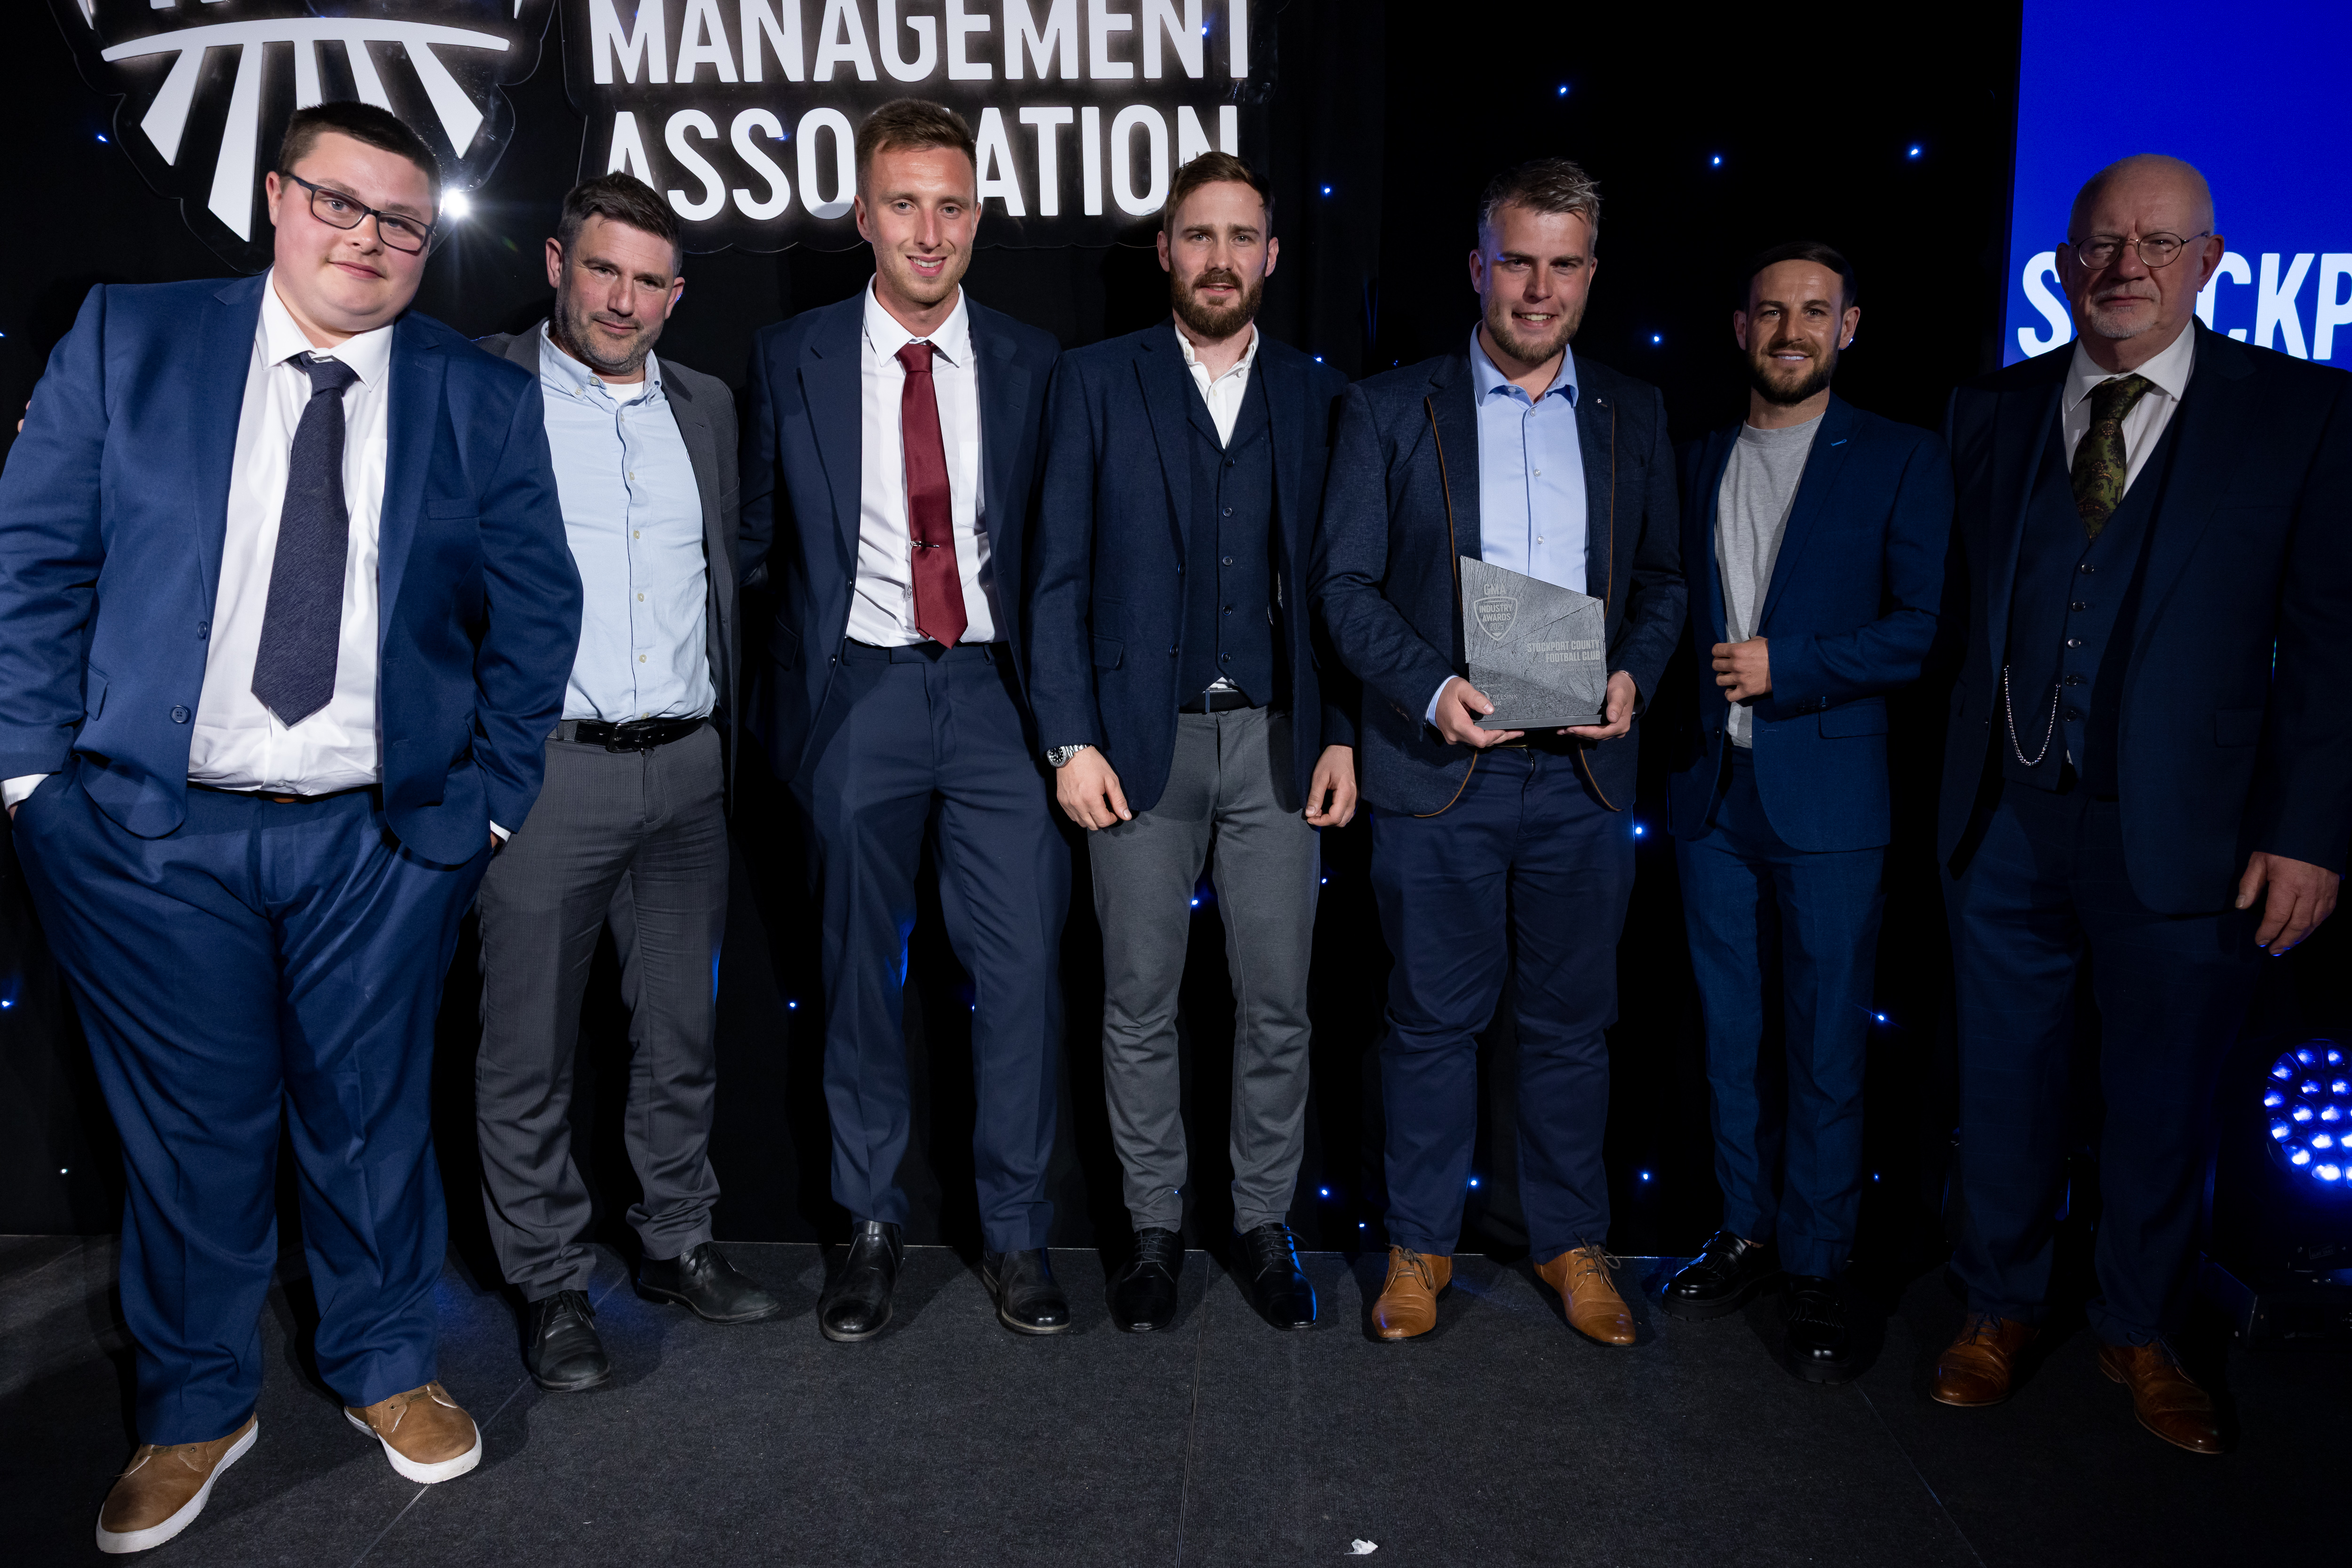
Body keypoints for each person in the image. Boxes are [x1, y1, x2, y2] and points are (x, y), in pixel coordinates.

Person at [0, 103, 580, 1552]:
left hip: (381, 840)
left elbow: (536, 611)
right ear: (276, 197)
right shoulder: (131, 337)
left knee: (370, 1115)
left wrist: (489, 806)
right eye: (340, 202)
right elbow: (34, 558)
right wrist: (31, 782)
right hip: (149, 833)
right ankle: (196, 1403)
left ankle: (385, 1361)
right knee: (191, 1135)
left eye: (403, 221)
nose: (369, 239)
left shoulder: (480, 395)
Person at [1932, 154, 2350, 1452]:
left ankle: (2139, 1326)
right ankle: (1999, 1305)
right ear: (2063, 264)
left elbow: (2332, 644)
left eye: (2158, 243)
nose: (2127, 266)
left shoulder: (2301, 413)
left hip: (2194, 831)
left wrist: (2307, 830)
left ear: (2210, 262)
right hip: (2005, 815)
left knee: (2164, 1094)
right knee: (2004, 1081)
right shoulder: (1990, 407)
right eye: (2102, 244)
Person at [1315, 159, 1684, 1344]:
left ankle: (1571, 1241)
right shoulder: (1388, 408)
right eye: (1517, 261)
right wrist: (1431, 687)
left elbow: (1666, 583)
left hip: (1581, 775)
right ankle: (1418, 1244)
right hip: (1441, 771)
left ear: (1590, 275)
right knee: (1430, 1024)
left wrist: (1632, 674)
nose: (1538, 288)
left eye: (1562, 265)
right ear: (1478, 267)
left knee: (1572, 1027)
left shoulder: (1633, 410)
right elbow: (1344, 586)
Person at [739, 101, 1068, 1339]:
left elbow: (1060, 558)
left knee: (1021, 974)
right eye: (904, 204)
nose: (929, 232)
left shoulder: (1036, 360)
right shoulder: (793, 356)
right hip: (856, 694)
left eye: (951, 205)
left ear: (976, 216)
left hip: (996, 698)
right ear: (863, 216)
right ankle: (869, 1222)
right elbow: (754, 546)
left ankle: (1017, 1229)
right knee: (854, 980)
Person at [1029, 152, 1356, 1334]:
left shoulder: (1320, 394)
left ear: (1270, 255)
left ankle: (1263, 1223)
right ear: (1166, 250)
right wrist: (1068, 739)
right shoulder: (1093, 379)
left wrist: (1341, 734)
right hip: (1134, 744)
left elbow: (1340, 585)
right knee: (1137, 1000)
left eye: (1241, 237)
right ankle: (1153, 1230)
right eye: (1198, 235)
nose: (1220, 258)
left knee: (1277, 1002)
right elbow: (1053, 578)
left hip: (1277, 741)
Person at [470, 172, 778, 1394]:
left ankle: (675, 1241)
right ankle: (550, 1280)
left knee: (681, 1033)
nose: (622, 299)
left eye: (649, 280)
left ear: (676, 295)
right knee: (528, 1048)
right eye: (603, 269)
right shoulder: (477, 386)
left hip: (690, 768)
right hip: (548, 771)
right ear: (558, 264)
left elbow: (731, 569)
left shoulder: (706, 405)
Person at [1657, 243, 1950, 1381]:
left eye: (1814, 311)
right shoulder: (1695, 456)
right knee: (1728, 1035)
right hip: (1707, 795)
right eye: (1772, 312)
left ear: (1848, 326)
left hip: (1829, 799)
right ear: (1741, 329)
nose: (1791, 330)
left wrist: (1795, 665)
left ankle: (1818, 1260)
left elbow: (1921, 628)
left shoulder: (1900, 457)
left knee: (1826, 1042)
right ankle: (1744, 1228)